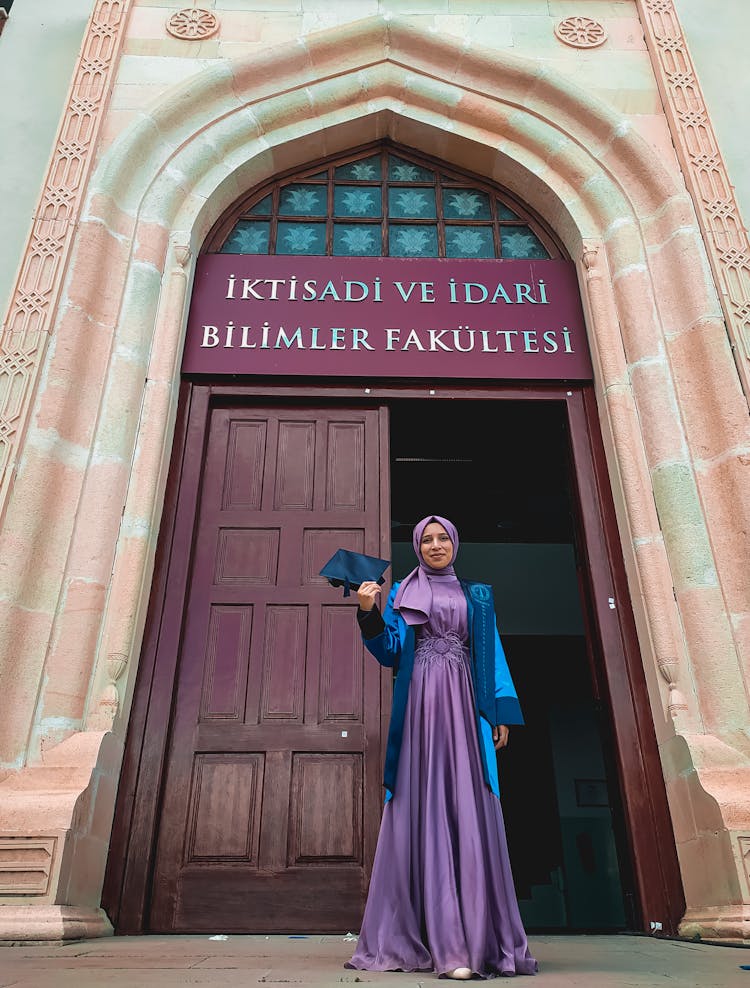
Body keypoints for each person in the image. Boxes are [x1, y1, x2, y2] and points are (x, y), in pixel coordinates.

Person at [345, 515, 538, 980]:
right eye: (426, 539)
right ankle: (441, 943)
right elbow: (390, 650)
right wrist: (369, 612)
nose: (435, 545)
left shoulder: (479, 595)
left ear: (455, 543)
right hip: (422, 709)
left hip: (467, 704)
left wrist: (501, 712)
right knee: (421, 802)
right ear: (416, 546)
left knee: (472, 804)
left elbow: (491, 652)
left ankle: (474, 941)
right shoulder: (402, 593)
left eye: (442, 538)